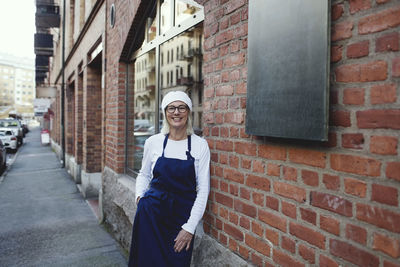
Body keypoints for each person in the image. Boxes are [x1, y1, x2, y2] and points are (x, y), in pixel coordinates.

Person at [128, 91, 210, 267]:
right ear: (165, 113)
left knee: (177, 262)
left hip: (181, 218)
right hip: (151, 214)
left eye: (181, 107)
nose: (176, 112)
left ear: (188, 112)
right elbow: (143, 174)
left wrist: (189, 228)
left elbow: (203, 190)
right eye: (171, 108)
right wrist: (139, 198)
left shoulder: (199, 145)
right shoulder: (154, 142)